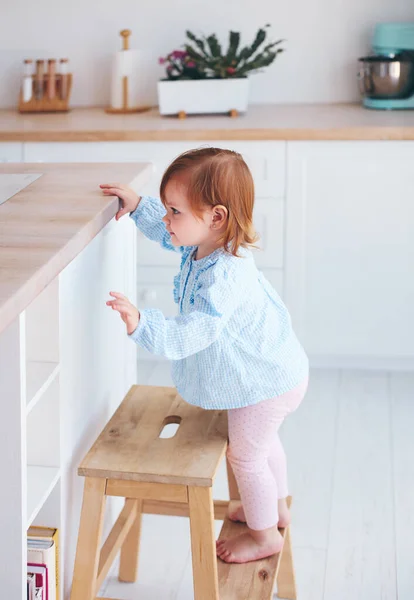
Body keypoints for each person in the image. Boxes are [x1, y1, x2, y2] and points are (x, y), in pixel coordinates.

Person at [101, 147, 309, 564]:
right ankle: (276, 508)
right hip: (273, 373)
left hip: (264, 384)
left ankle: (264, 533)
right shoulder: (205, 245)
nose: (167, 219)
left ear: (215, 217)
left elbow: (197, 329)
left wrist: (144, 323)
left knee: (245, 455)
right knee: (265, 445)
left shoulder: (224, 275)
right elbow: (169, 235)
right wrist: (140, 206)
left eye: (174, 211)